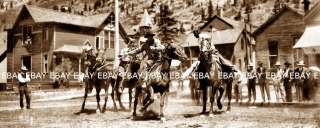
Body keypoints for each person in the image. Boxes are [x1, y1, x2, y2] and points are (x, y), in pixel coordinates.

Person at [125, 31, 165, 111]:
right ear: (147, 37)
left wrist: (155, 48)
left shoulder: (156, 42)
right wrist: (129, 53)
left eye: (151, 36)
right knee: (144, 65)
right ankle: (144, 81)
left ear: (152, 36)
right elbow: (138, 50)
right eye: (148, 36)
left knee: (166, 67)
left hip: (158, 60)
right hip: (150, 61)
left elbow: (162, 47)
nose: (150, 38)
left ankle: (166, 82)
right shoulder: (145, 44)